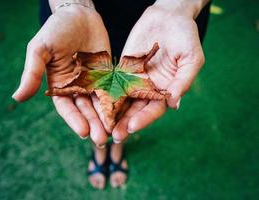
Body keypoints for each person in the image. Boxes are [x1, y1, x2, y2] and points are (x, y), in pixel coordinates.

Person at [12, 0, 210, 189]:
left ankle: (116, 145)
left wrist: (179, 6)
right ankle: (101, 147)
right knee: (96, 114)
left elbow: (150, 58)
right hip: (79, 23)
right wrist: (73, 5)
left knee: (122, 113)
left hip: (163, 19)